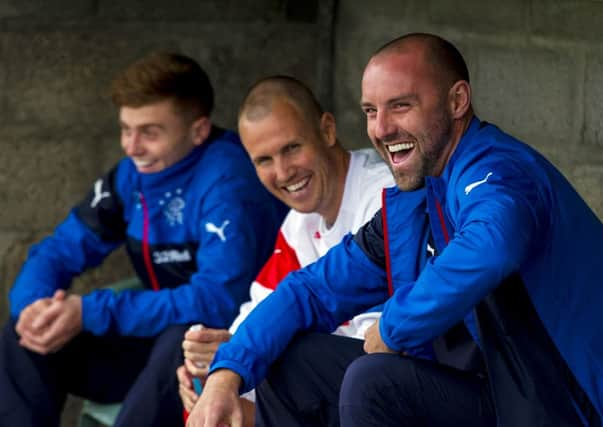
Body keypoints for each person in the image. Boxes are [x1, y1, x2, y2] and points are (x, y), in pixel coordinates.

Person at [186, 33, 603, 427]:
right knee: (293, 357)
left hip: (562, 405)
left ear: (457, 101)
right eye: (371, 111)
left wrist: (393, 326)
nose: (381, 129)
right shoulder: (418, 197)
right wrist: (230, 370)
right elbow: (310, 291)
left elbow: (492, 243)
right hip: (492, 397)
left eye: (401, 106)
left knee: (374, 380)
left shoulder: (499, 169)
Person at [0, 52, 287, 427]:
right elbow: (60, 248)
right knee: (23, 337)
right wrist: (34, 307)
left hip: (230, 349)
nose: (131, 147)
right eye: (125, 129)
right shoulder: (132, 174)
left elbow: (217, 301)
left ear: (198, 131)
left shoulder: (229, 182)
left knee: (181, 340)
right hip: (151, 339)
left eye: (150, 132)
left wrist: (91, 311)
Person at [177, 75, 395, 425]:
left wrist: (238, 384)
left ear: (326, 130)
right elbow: (258, 311)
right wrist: (215, 366)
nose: (282, 171)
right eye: (263, 160)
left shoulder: (383, 197)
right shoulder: (298, 222)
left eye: (292, 148)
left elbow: (374, 351)